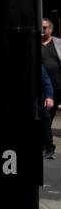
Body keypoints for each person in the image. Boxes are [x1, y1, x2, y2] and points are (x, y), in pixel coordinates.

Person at [41, 19, 61, 160]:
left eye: (44, 28)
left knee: (50, 116)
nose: (42, 30)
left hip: (58, 86)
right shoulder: (34, 43)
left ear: (50, 29)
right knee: (46, 117)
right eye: (40, 27)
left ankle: (46, 143)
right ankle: (49, 147)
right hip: (44, 88)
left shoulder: (58, 43)